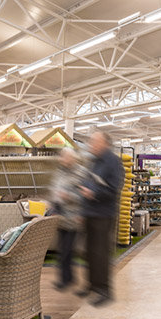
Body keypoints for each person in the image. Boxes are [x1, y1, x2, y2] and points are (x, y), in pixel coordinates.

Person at [78, 131, 125, 307]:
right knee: (89, 252)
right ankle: (91, 285)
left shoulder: (113, 162)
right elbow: (86, 182)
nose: (92, 145)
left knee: (101, 254)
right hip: (90, 213)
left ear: (105, 143)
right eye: (91, 142)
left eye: (95, 142)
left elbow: (114, 188)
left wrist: (94, 193)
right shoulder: (94, 161)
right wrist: (82, 209)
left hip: (104, 215)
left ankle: (105, 290)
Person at [47, 147, 85, 291]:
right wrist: (53, 203)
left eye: (65, 157)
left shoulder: (80, 173)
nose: (62, 159)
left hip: (74, 216)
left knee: (66, 249)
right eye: (62, 156)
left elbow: (84, 196)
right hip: (61, 216)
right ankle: (69, 278)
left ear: (72, 158)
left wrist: (68, 196)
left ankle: (65, 280)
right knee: (63, 249)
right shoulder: (60, 172)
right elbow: (54, 190)